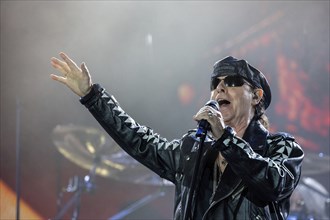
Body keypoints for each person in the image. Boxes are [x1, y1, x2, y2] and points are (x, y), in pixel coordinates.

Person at [50, 52, 304, 220]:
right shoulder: (195, 148)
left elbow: (273, 183)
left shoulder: (280, 147)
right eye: (215, 83)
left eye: (233, 81)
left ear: (257, 96)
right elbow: (140, 141)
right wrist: (93, 96)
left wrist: (225, 138)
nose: (220, 88)